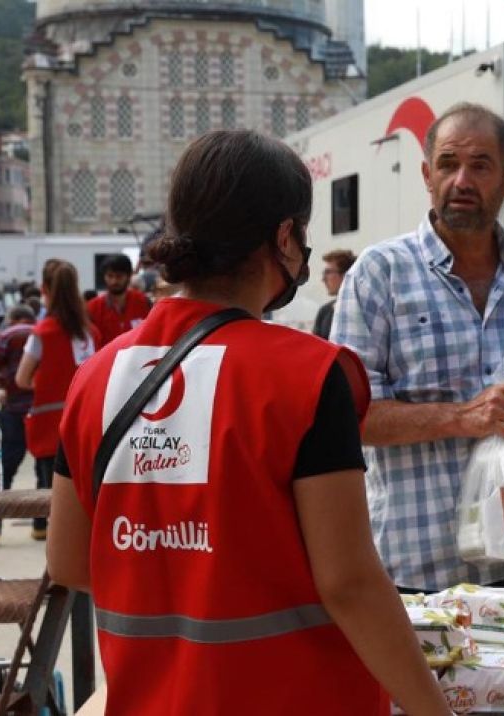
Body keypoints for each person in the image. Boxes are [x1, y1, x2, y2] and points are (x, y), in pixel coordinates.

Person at [45, 129, 450, 716]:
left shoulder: (96, 379)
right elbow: (350, 584)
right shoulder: (309, 376)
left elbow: (68, 563)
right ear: (284, 237)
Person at [332, 102, 504, 595]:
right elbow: (347, 416)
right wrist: (463, 416)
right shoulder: (380, 274)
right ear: (426, 174)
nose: (462, 180)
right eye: (448, 164)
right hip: (423, 573)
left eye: (480, 165)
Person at [18, 261, 99, 540]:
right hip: (86, 424)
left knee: (47, 485)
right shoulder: (91, 333)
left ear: (44, 290)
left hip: (49, 426)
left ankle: (42, 528)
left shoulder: (41, 333)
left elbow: (21, 378)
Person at [0, 305, 37, 546]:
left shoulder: (5, 336)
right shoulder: (43, 333)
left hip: (13, 410)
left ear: (11, 319)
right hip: (43, 412)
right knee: (45, 473)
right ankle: (41, 526)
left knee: (4, 470)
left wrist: (3, 383)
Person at [86, 253, 152, 347]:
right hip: (106, 360)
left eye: (119, 276)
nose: (114, 281)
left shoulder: (143, 302)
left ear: (129, 276)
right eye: (110, 276)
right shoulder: (93, 308)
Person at [313, 249, 355, 339]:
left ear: (345, 275)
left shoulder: (361, 309)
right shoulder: (324, 311)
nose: (323, 279)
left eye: (328, 272)